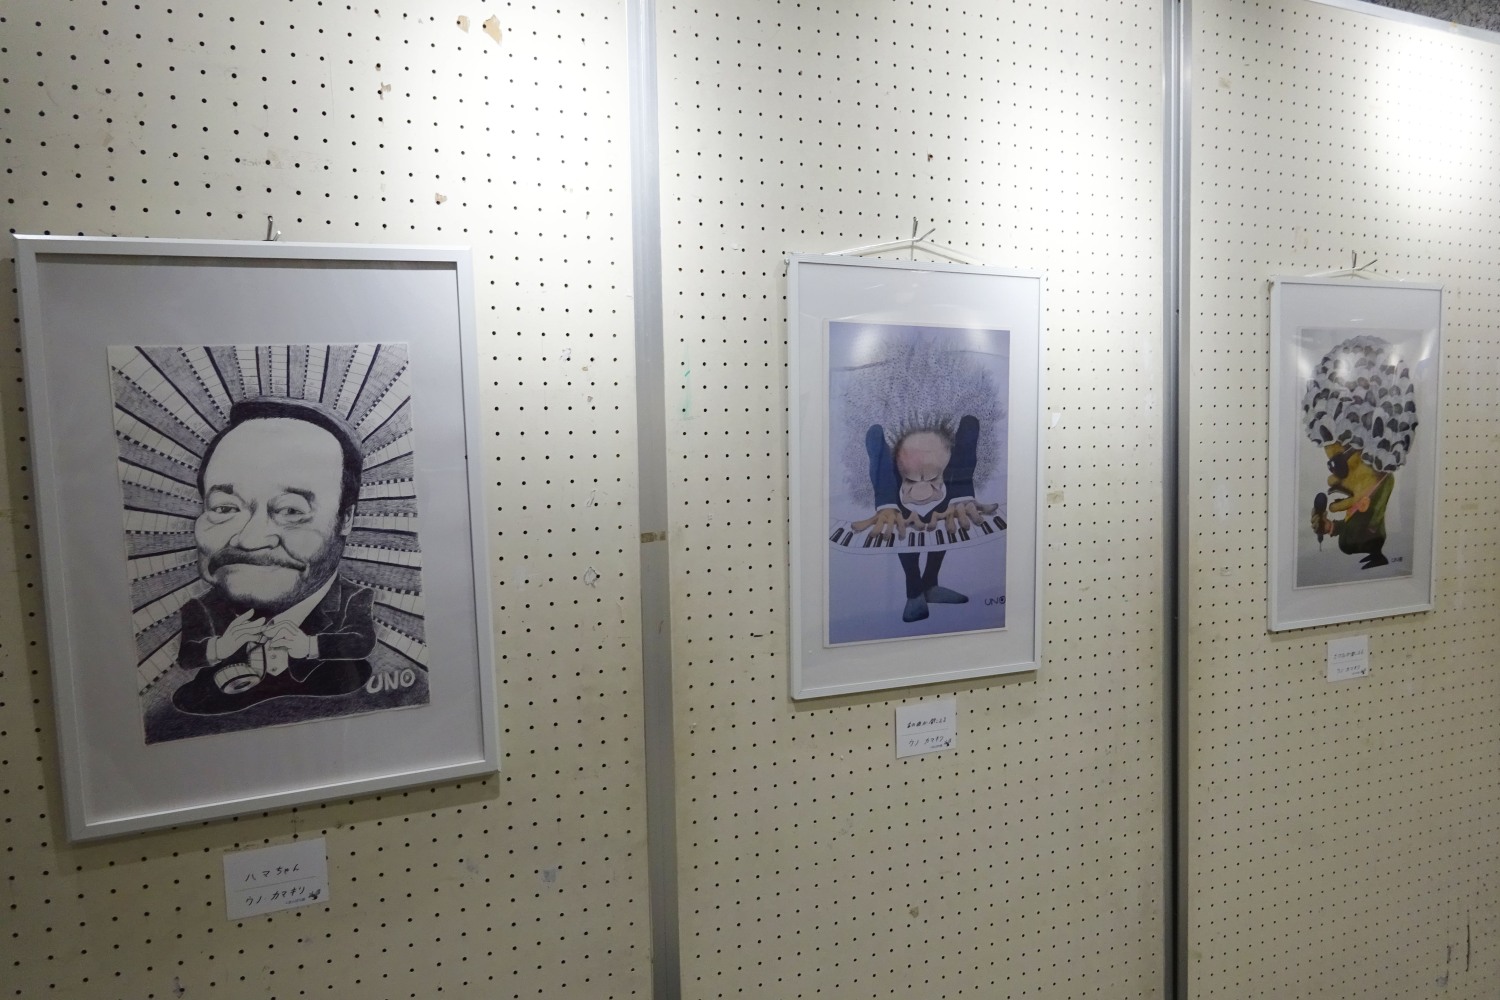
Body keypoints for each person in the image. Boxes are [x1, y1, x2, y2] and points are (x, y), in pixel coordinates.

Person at [172, 398, 376, 714]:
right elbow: (188, 656)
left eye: (291, 511)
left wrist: (308, 646)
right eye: (225, 508)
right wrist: (223, 647)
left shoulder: (353, 601)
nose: (250, 540)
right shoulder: (203, 610)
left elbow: (359, 643)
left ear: (345, 519)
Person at [856, 415, 997, 622]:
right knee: (906, 534)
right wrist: (887, 504)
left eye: (931, 478)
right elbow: (876, 440)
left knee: (941, 530)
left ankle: (930, 585)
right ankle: (914, 593)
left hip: (943, 501)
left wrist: (962, 495)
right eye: (911, 480)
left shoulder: (949, 475)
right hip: (903, 507)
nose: (922, 491)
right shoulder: (894, 477)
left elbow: (967, 437)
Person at [1303, 335, 1417, 570]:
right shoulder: (1365, 497)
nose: (1332, 479)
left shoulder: (1382, 487)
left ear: (1377, 451)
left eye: (1338, 465)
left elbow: (1368, 517)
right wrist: (1329, 527)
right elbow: (1352, 526)